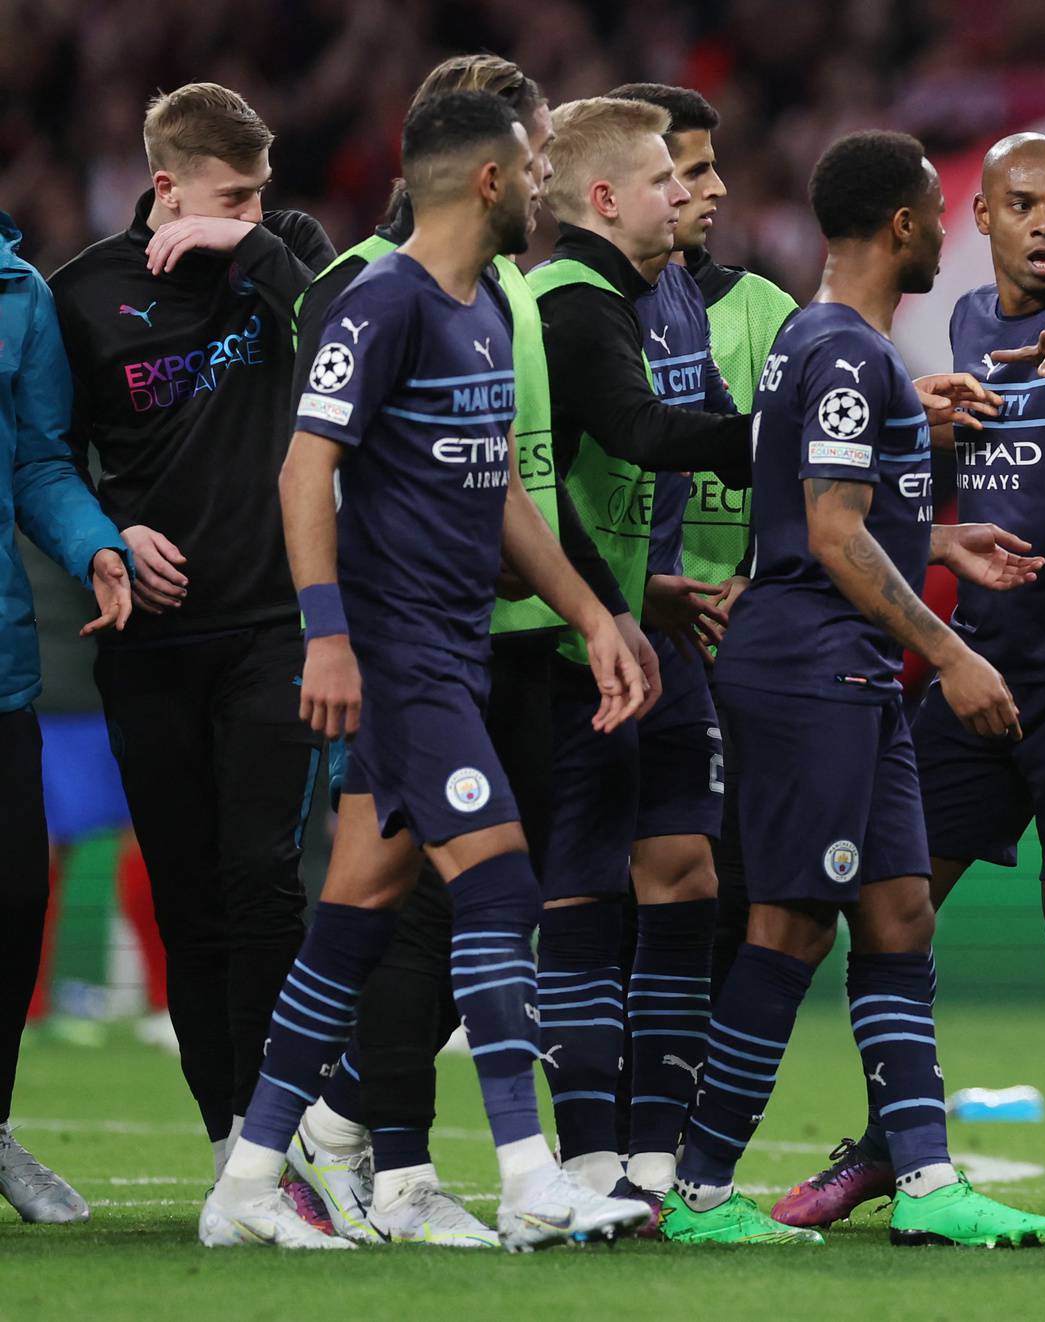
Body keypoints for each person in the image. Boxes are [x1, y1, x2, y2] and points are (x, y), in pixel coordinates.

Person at [198, 90, 652, 1251]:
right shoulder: (382, 300)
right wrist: (328, 633)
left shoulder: (488, 308)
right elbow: (306, 472)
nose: (549, 178)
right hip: (400, 657)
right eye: (539, 160)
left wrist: (593, 615)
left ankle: (247, 1179)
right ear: (490, 180)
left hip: (456, 651)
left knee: (352, 920)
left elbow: (497, 494)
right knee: (500, 887)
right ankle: (527, 1174)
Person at [661, 129, 1045, 1249]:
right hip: (814, 668)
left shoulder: (819, 339)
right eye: (938, 212)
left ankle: (929, 1181)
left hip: (847, 666)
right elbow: (830, 537)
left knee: (896, 912)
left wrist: (937, 538)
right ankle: (698, 1191)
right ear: (900, 226)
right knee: (791, 924)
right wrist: (956, 647)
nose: (947, 232)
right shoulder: (846, 353)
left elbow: (821, 513)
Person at [770, 131, 1045, 1240]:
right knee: (892, 905)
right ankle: (896, 1141)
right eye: (1024, 203)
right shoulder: (957, 332)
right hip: (974, 655)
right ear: (980, 216)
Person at [49, 83, 334, 1174]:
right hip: (152, 644)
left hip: (275, 623)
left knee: (264, 880)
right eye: (233, 194)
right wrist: (110, 530)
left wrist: (245, 243)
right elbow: (51, 459)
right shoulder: (84, 298)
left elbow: (349, 343)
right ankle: (229, 1135)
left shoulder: (285, 258)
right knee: (189, 895)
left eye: (262, 194)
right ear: (165, 184)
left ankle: (278, 1131)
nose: (255, 211)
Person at [524, 94, 756, 1204]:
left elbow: (711, 433)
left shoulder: (664, 296)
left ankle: (658, 1159)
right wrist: (819, 420)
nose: (693, 194)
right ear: (608, 198)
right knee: (574, 893)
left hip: (641, 633)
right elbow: (638, 435)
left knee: (686, 870)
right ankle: (583, 1158)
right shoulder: (563, 304)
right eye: (671, 178)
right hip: (557, 647)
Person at [602, 82, 799, 1000]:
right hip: (596, 632)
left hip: (726, 635)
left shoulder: (763, 310)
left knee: (721, 889)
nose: (715, 187)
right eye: (694, 168)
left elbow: (804, 475)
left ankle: (662, 1127)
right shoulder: (569, 309)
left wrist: (758, 580)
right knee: (587, 888)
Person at [0, 208, 132, 1225]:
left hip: (3, 667)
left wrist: (94, 541)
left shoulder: (19, 295)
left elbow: (41, 463)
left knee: (12, 899)